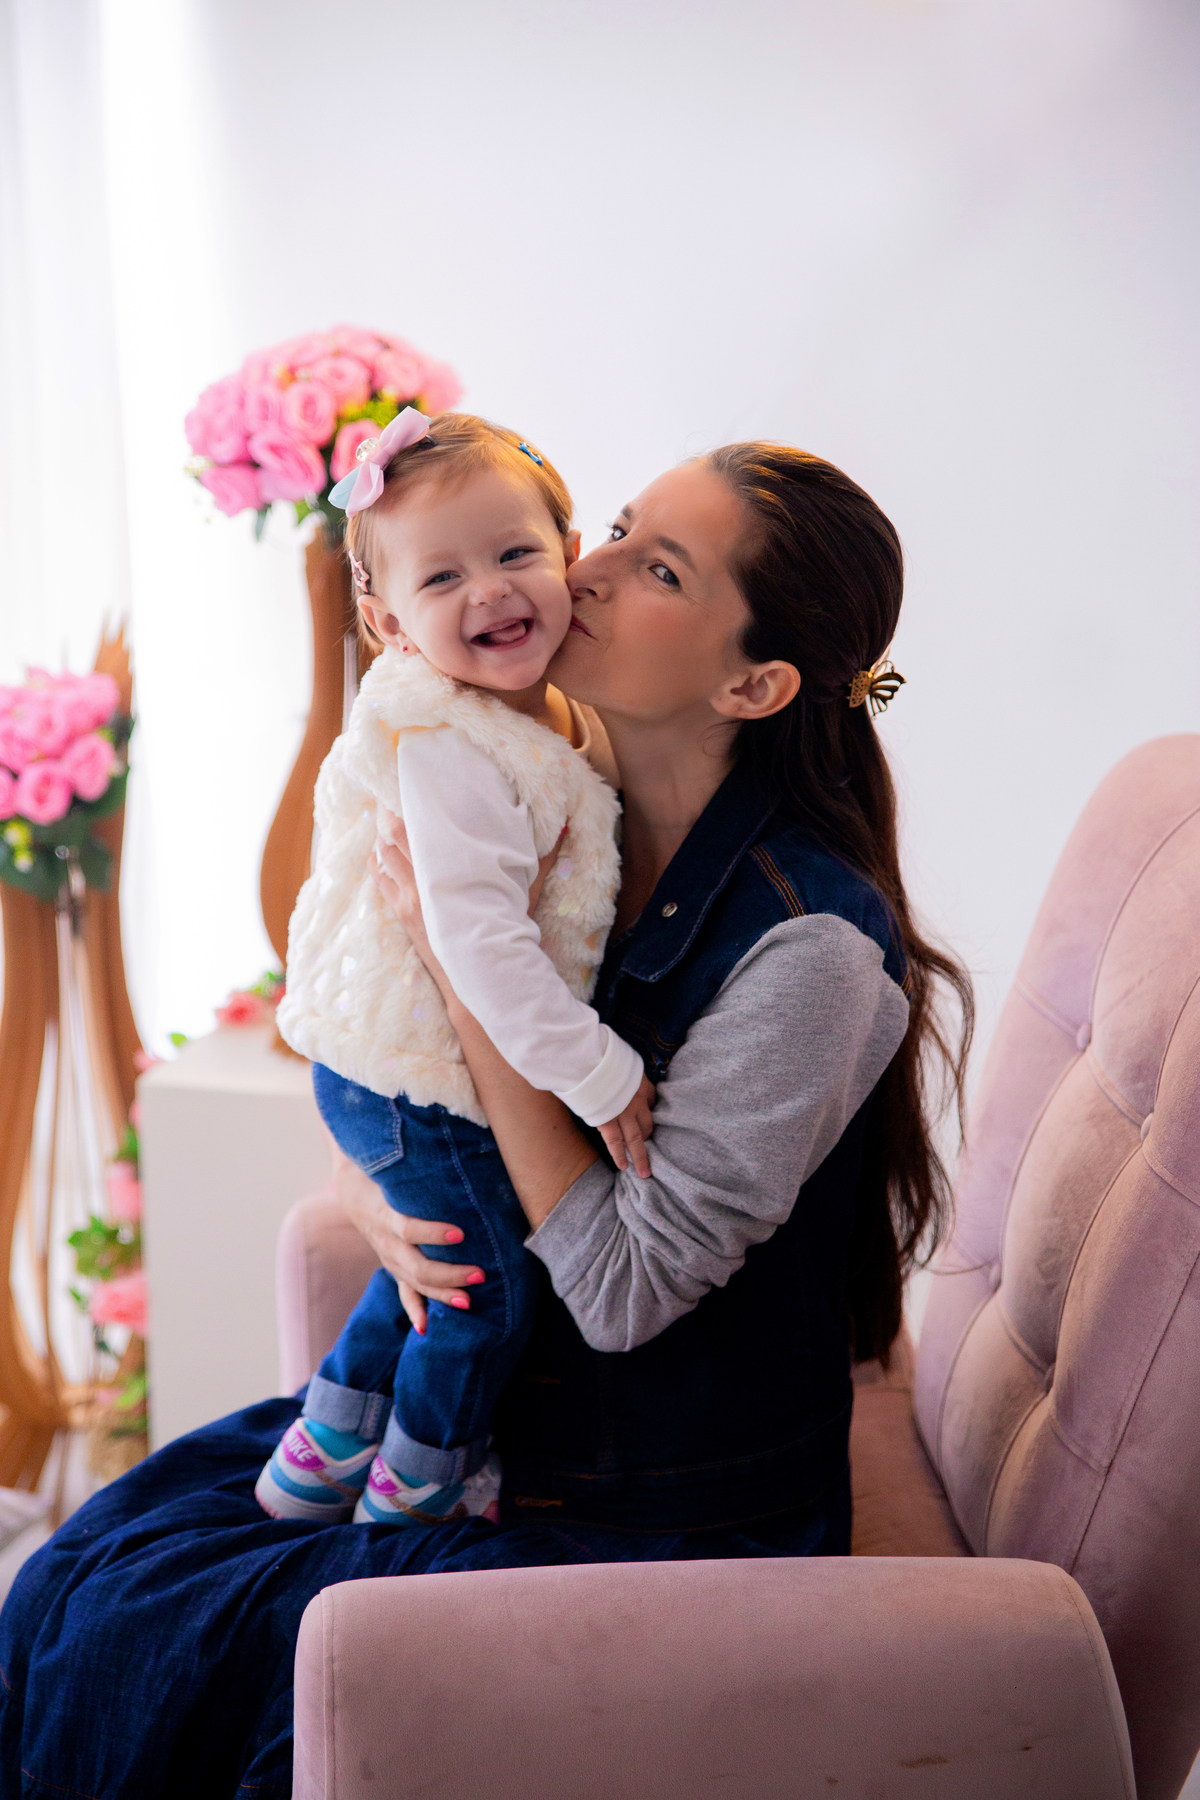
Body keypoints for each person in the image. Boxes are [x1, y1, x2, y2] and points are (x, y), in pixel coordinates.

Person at [0, 442, 972, 1799]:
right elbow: (399, 1092)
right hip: (524, 1421)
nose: (590, 566)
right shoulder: (557, 800)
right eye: (622, 526)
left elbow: (628, 1288)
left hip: (653, 1513)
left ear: (751, 684)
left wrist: (472, 987)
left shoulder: (811, 956)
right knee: (86, 1571)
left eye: (659, 568)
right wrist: (366, 1197)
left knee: (153, 1647)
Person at [262, 407, 653, 1529]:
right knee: (484, 1292)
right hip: (415, 1082)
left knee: (430, 1266)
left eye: (515, 553)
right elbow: (480, 945)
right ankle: (421, 1486)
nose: (490, 591)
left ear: (570, 558)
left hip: (412, 1073)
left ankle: (326, 1443)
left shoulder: (547, 719)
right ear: (388, 624)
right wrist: (601, 1076)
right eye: (443, 578)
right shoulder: (451, 752)